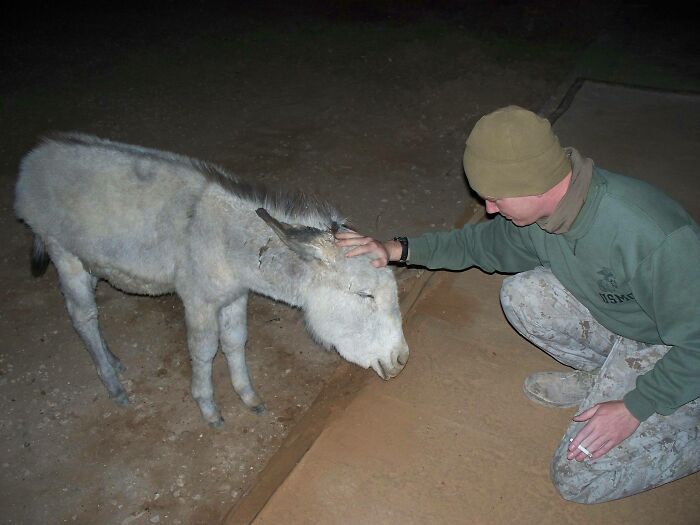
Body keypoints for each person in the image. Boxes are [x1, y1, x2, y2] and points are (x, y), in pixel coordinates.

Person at [336, 105, 700, 504]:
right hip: (638, 325)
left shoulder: (652, 236)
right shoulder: (545, 215)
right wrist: (394, 249)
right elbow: (479, 244)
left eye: (494, 198)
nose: (489, 209)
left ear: (533, 182)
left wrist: (634, 406)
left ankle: (681, 420)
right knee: (523, 295)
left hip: (681, 347)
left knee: (577, 478)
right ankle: (606, 374)